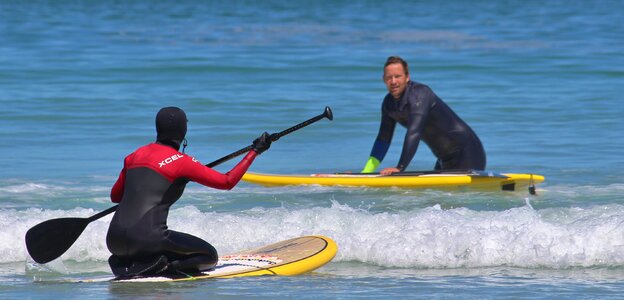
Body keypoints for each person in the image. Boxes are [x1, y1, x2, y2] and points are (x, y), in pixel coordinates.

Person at [106, 106, 271, 278]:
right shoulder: (182, 162)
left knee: (154, 243)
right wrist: (255, 151)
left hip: (114, 241)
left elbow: (115, 196)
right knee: (208, 256)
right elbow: (227, 182)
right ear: (183, 131)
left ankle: (127, 263)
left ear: (158, 129)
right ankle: (161, 268)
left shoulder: (133, 156)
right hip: (147, 239)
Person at [362, 56, 486, 175]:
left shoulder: (420, 94)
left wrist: (400, 168)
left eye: (398, 76)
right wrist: (365, 173)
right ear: (383, 79)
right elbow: (383, 139)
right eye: (389, 77)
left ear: (407, 77)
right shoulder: (388, 104)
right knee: (438, 196)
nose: (393, 81)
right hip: (443, 158)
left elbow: (414, 132)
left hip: (467, 152)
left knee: (463, 196)